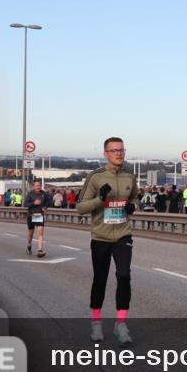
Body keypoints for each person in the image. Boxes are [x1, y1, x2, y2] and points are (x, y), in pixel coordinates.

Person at [76, 137, 140, 345]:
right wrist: (99, 199)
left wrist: (133, 207)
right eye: (114, 150)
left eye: (121, 150)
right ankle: (96, 322)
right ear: (105, 153)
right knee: (100, 278)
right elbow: (81, 207)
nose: (119, 154)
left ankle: (120, 324)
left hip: (123, 234)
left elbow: (135, 199)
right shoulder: (95, 177)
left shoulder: (130, 176)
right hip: (101, 237)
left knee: (124, 276)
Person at [23, 180, 50, 257]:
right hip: (31, 215)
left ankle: (40, 250)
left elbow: (48, 202)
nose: (38, 187)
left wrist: (45, 207)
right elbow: (25, 204)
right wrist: (33, 203)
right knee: (31, 234)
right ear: (33, 186)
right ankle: (29, 245)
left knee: (40, 231)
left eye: (39, 185)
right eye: (36, 185)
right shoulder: (30, 194)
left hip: (39, 215)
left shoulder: (43, 193)